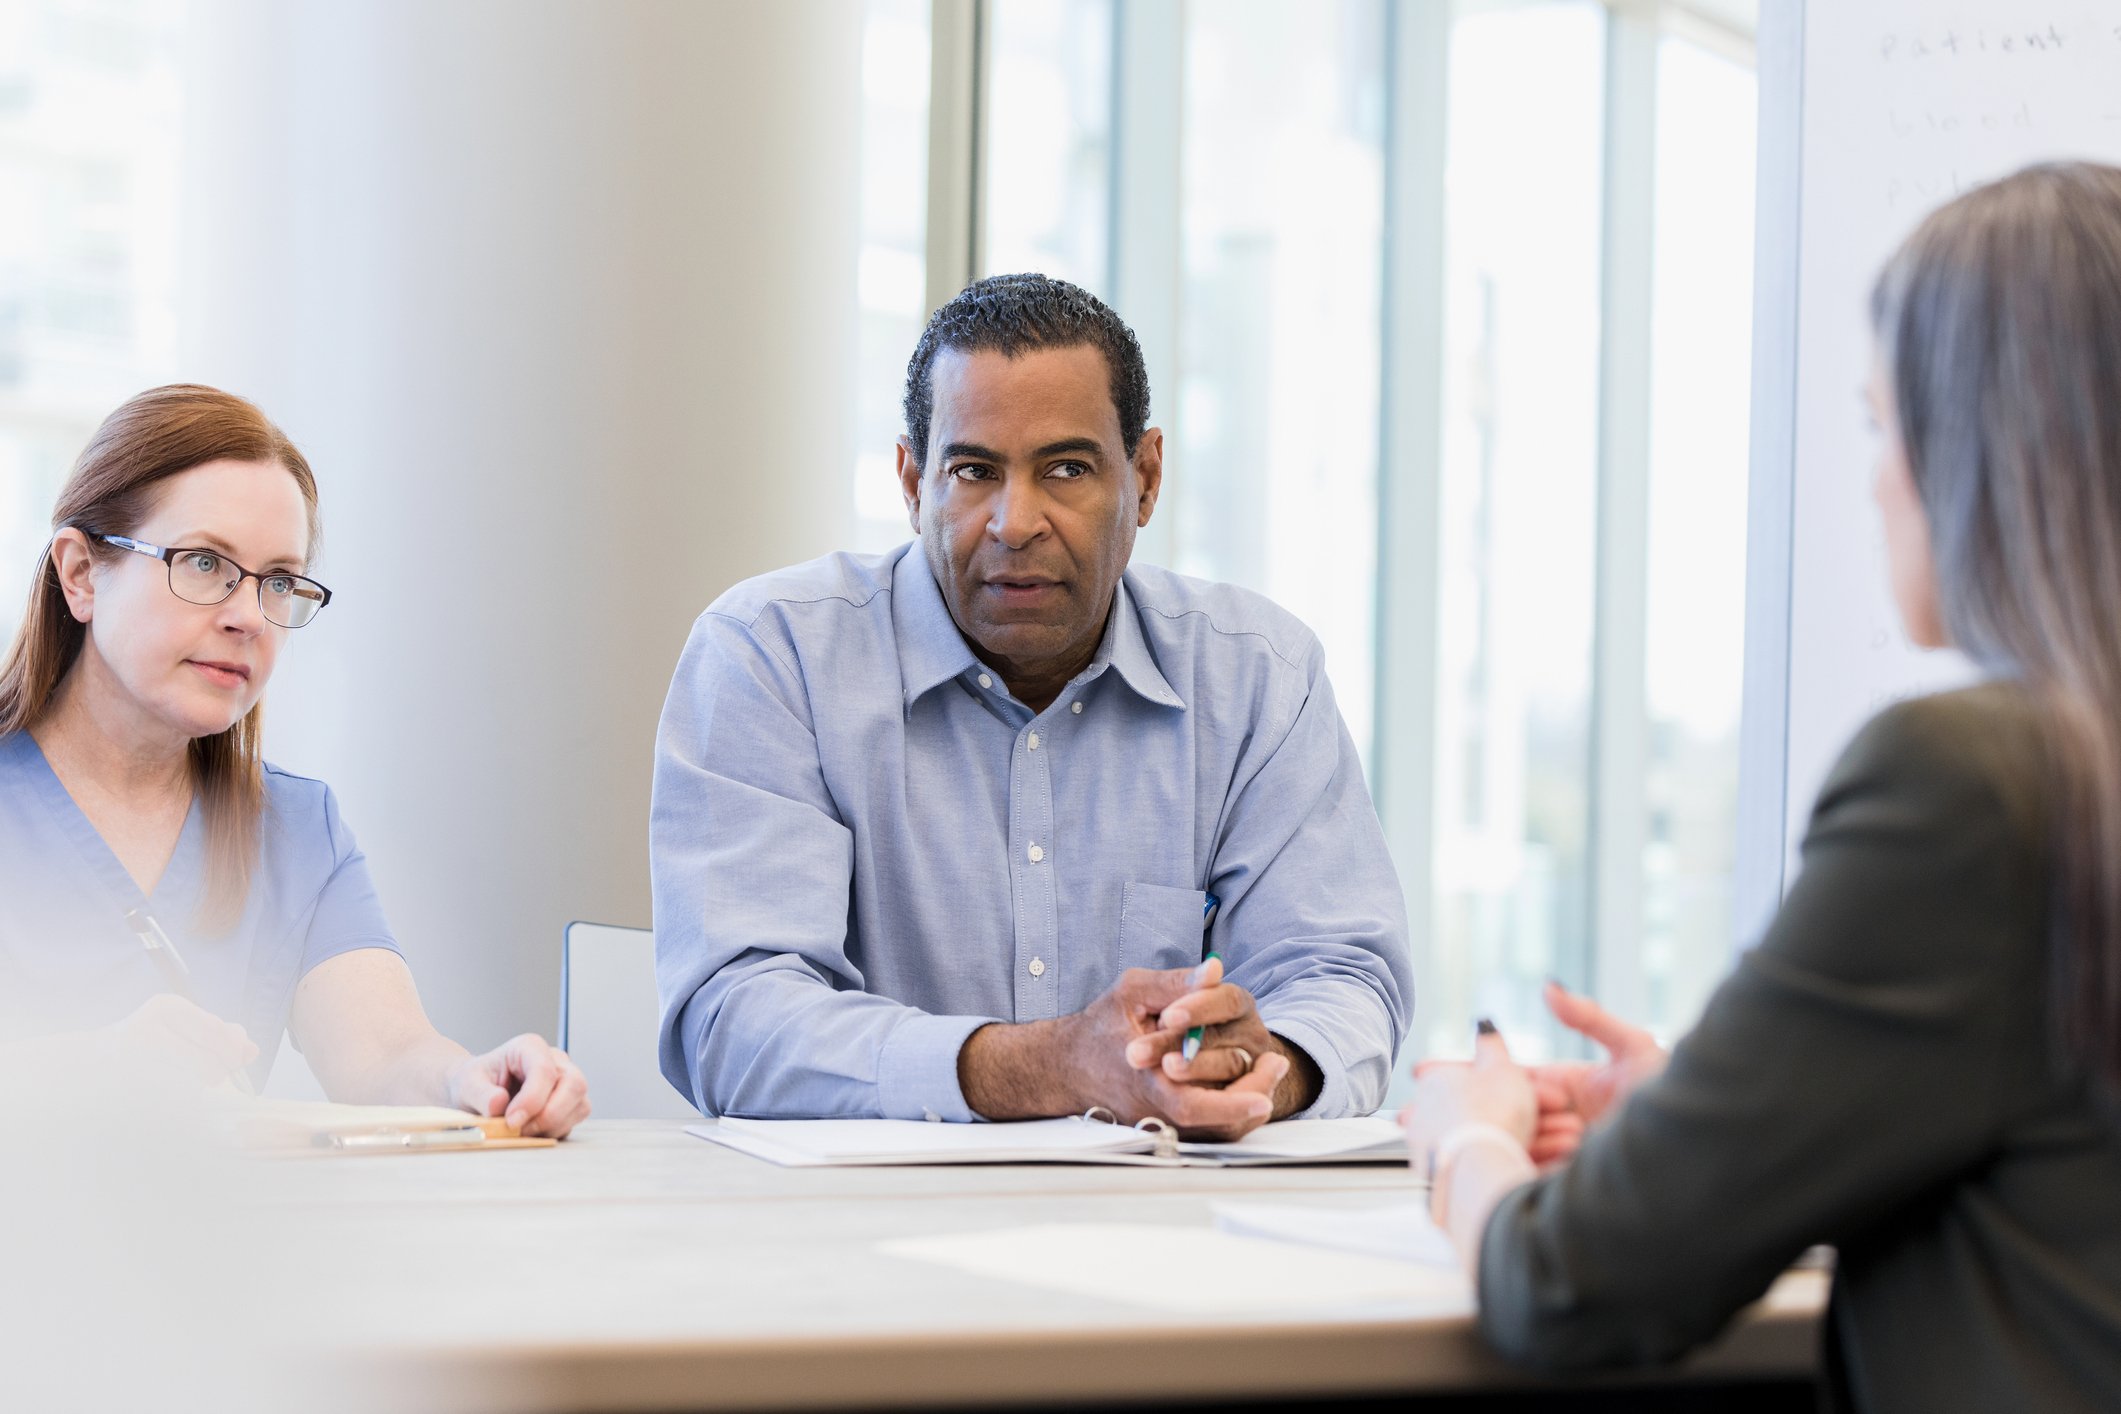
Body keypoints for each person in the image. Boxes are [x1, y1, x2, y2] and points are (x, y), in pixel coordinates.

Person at [1401, 163, 2121, 1411]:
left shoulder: (1978, 783)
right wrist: (1721, 1110)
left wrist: (1467, 1137)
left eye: (1879, 422)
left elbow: (1572, 1284)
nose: (1877, 478)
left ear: (1980, 452)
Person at [653, 273, 1411, 1138]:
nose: (1015, 522)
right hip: (852, 1239)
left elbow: (1342, 975)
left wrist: (1256, 1068)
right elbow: (733, 1021)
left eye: (1067, 469)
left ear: (1146, 478)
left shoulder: (1256, 678)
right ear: (911, 483)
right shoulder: (772, 655)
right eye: (973, 471)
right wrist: (1048, 1065)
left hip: (1164, 1227)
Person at [0, 384, 590, 1137]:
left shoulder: (296, 830)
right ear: (81, 573)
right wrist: (85, 1073)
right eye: (205, 563)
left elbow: (382, 1053)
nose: (247, 615)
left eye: (278, 580)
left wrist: (472, 1080)